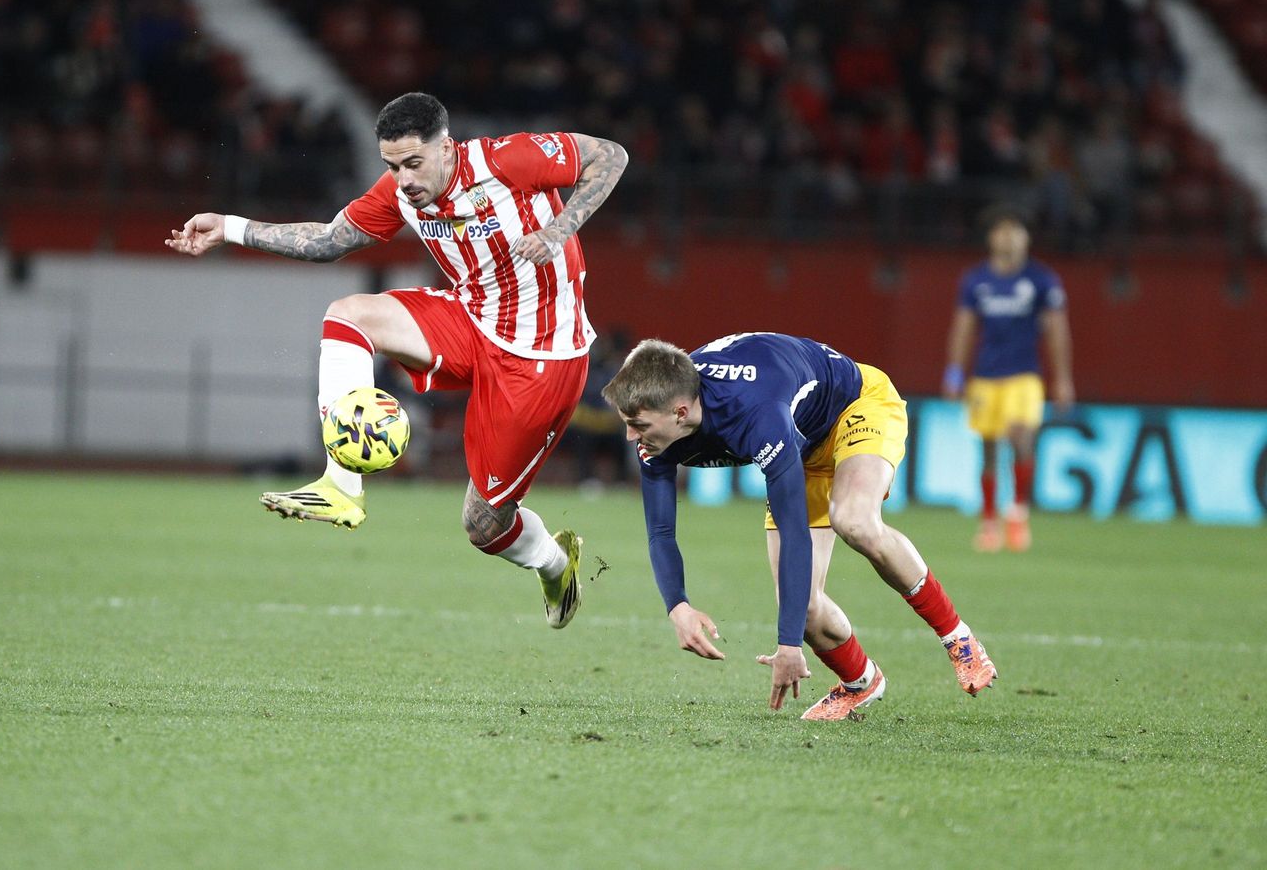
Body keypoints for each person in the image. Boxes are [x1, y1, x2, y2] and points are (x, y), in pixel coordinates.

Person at [166, 92, 628, 628]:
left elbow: (610, 156)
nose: (404, 179)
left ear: (447, 148)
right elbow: (329, 239)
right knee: (347, 314)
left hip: (542, 357)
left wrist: (558, 229)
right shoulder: (401, 193)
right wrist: (230, 226)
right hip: (470, 320)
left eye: (414, 163)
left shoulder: (509, 160)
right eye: (392, 166)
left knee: (483, 525)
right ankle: (341, 486)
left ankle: (554, 566)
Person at [602, 333, 998, 721]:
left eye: (637, 424)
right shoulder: (660, 432)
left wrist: (788, 646)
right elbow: (661, 532)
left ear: (680, 413)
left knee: (854, 521)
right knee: (803, 606)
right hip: (801, 446)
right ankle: (860, 682)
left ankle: (957, 636)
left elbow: (795, 534)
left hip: (856, 407)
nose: (630, 435)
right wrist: (678, 606)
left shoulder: (755, 413)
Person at [942, 205, 1074, 552]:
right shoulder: (976, 281)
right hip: (985, 377)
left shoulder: (1042, 280)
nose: (1009, 237)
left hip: (1025, 376)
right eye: (1002, 231)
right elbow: (963, 327)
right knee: (988, 450)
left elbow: (1056, 330)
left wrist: (1062, 379)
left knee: (1021, 436)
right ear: (991, 238)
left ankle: (1016, 512)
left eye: (1015, 230)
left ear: (1027, 238)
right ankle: (988, 522)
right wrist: (955, 372)